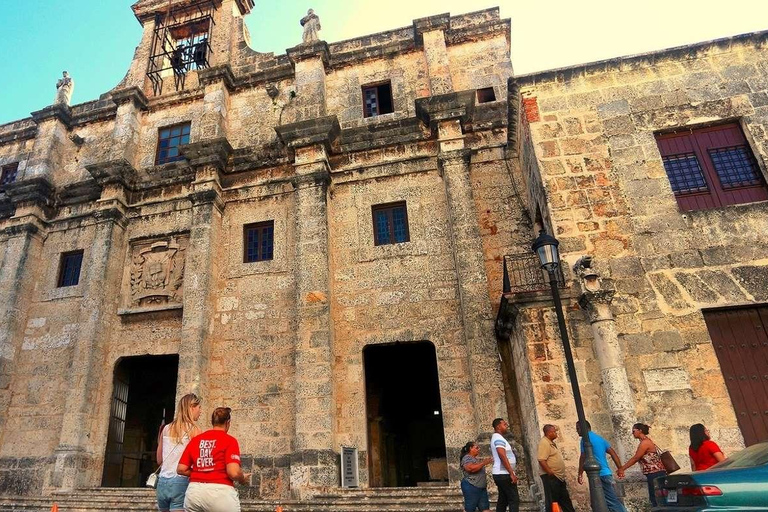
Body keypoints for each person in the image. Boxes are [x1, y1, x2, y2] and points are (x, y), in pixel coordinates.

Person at [178, 407, 250, 512]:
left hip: (194, 493)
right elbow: (233, 472)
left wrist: (201, 472)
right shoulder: (230, 441)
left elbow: (181, 469)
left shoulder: (196, 440)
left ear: (212, 422)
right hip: (220, 492)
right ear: (228, 422)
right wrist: (242, 478)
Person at [156, 393, 203, 512]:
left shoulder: (166, 428)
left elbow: (159, 460)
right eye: (199, 407)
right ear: (192, 407)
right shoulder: (195, 430)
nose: (200, 411)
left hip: (162, 482)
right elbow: (199, 460)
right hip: (181, 480)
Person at [576, 421, 627, 512]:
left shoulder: (585, 439)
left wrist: (580, 473)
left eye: (578, 428)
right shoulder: (599, 438)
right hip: (606, 473)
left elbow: (583, 456)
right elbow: (613, 453)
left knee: (610, 502)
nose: (577, 431)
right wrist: (620, 468)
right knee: (606, 500)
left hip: (599, 475)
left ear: (583, 428)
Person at [616, 423, 666, 507]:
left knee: (656, 498)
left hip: (655, 473)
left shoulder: (645, 443)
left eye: (634, 431)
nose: (633, 433)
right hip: (653, 473)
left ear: (640, 431)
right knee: (656, 497)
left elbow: (636, 458)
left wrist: (622, 469)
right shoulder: (645, 441)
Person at [537, 425, 575, 512]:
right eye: (554, 431)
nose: (556, 433)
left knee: (564, 499)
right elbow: (541, 459)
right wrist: (550, 472)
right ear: (549, 433)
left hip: (558, 477)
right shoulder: (544, 443)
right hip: (551, 476)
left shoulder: (550, 443)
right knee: (552, 501)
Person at [490, 418, 519, 512]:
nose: (507, 426)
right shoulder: (498, 438)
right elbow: (502, 455)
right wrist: (511, 473)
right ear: (498, 426)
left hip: (501, 473)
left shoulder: (498, 438)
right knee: (514, 499)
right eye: (504, 424)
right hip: (504, 473)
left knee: (503, 500)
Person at [459, 441, 493, 512]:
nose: (479, 449)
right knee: (470, 509)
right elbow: (470, 468)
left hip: (481, 487)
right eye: (476, 448)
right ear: (471, 448)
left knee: (485, 509)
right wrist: (483, 463)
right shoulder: (467, 458)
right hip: (471, 486)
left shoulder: (474, 459)